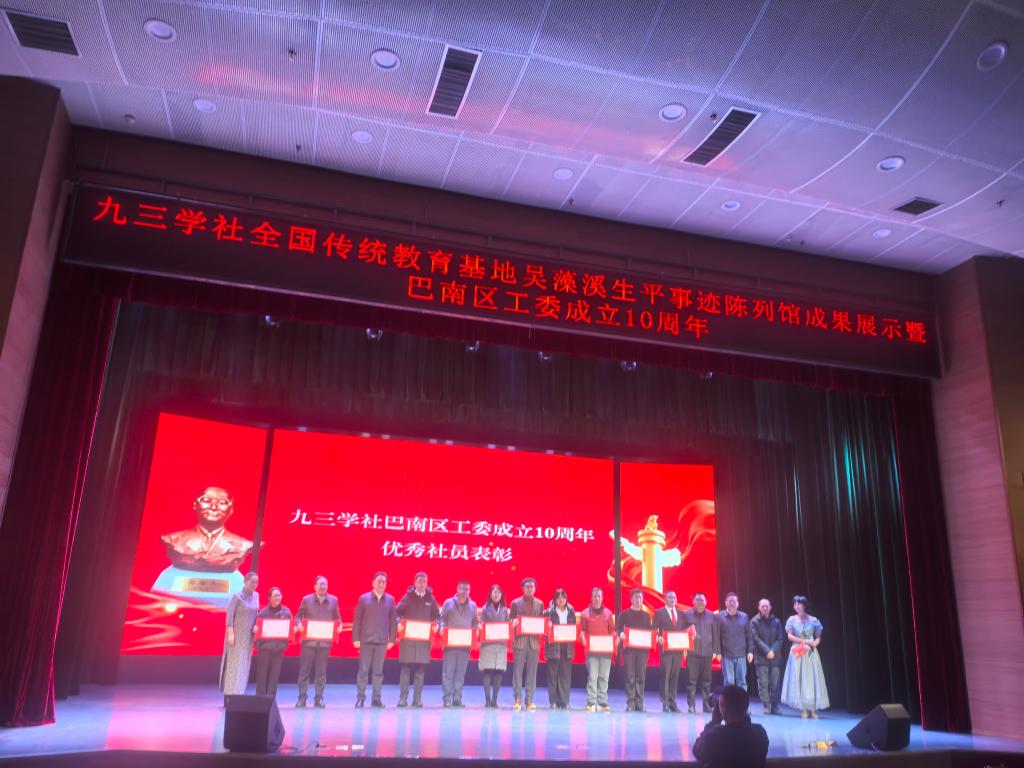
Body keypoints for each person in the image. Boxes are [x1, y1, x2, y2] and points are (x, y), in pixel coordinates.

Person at [692, 685, 769, 768]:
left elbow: (697, 750)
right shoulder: (760, 733)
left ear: (722, 708)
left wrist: (714, 722)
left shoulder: (715, 736)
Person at [352, 571, 397, 708]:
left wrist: (392, 639)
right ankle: (360, 698)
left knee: (378, 672)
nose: (381, 584)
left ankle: (376, 699)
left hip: (382, 641)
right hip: (366, 640)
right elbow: (357, 620)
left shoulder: (390, 600)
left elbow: (393, 621)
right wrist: (356, 638)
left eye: (384, 582)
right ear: (373, 583)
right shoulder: (364, 598)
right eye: (379, 581)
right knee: (363, 671)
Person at [395, 571, 440, 708]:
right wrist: (398, 623)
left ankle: (417, 700)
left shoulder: (430, 598)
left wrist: (437, 625)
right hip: (408, 640)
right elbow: (397, 613)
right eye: (420, 581)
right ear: (415, 582)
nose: (422, 584)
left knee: (420, 671)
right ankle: (403, 699)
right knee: (405, 670)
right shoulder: (407, 597)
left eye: (424, 582)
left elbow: (437, 616)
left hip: (423, 642)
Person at [295, 575, 341, 708]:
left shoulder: (333, 600)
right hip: (308, 643)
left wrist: (339, 625)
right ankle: (302, 698)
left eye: (325, 584)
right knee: (304, 671)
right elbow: (298, 617)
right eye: (320, 584)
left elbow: (337, 618)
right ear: (315, 586)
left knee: (321, 672)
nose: (323, 586)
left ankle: (319, 698)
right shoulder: (306, 599)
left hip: (324, 643)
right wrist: (299, 624)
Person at [781, 595, 829, 718]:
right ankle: (803, 708)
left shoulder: (813, 620)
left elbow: (818, 636)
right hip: (797, 651)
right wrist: (804, 641)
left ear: (804, 605)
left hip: (810, 652)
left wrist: (814, 644)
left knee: (811, 679)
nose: (796, 606)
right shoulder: (792, 620)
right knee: (799, 678)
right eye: (795, 604)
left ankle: (813, 709)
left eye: (799, 604)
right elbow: (789, 636)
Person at [220, 571, 259, 702]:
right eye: (252, 581)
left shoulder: (256, 596)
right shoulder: (237, 596)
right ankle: (229, 695)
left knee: (244, 665)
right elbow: (230, 615)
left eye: (256, 582)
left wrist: (256, 625)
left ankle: (239, 693)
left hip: (248, 636)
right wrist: (230, 633)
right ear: (245, 581)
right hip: (236, 635)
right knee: (234, 665)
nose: (254, 584)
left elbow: (256, 613)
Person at [439, 580, 478, 707]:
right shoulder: (448, 603)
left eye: (467, 589)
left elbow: (475, 622)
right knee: (448, 673)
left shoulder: (473, 605)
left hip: (465, 646)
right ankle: (446, 699)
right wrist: (441, 627)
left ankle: (457, 699)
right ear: (457, 589)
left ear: (469, 591)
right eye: (462, 589)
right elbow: (441, 619)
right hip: (450, 645)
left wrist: (476, 629)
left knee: (460, 674)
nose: (464, 592)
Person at [509, 577, 544, 711]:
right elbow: (511, 621)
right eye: (527, 586)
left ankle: (529, 700)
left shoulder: (540, 604)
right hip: (520, 641)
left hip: (534, 642)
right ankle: (517, 699)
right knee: (517, 672)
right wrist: (513, 622)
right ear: (523, 588)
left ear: (535, 588)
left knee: (532, 673)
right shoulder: (515, 603)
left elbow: (541, 622)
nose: (530, 589)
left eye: (532, 586)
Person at [579, 586, 614, 712]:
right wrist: (582, 638)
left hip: (605, 651)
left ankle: (603, 703)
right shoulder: (584, 613)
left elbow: (612, 631)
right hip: (591, 651)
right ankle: (591, 702)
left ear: (602, 598)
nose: (597, 598)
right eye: (594, 596)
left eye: (599, 596)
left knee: (604, 677)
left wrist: (614, 639)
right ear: (591, 598)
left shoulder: (608, 613)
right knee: (592, 677)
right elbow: (582, 631)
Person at [683, 592, 720, 713]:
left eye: (702, 600)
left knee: (706, 681)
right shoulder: (686, 614)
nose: (700, 603)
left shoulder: (711, 615)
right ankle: (691, 705)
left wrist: (716, 650)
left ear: (706, 602)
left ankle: (706, 705)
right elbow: (682, 632)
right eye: (697, 600)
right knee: (691, 681)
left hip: (707, 653)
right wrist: (683, 648)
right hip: (692, 653)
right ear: (693, 602)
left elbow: (715, 633)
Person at [617, 588, 653, 712]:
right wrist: (621, 634)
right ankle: (630, 703)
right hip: (629, 651)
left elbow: (650, 632)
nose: (638, 600)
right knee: (630, 676)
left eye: (640, 598)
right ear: (631, 599)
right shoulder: (624, 614)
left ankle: (639, 703)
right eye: (636, 597)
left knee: (641, 676)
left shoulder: (646, 616)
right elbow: (618, 628)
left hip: (643, 651)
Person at [254, 586, 292, 697]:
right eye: (275, 596)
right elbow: (257, 631)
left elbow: (290, 629)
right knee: (262, 674)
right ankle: (261, 697)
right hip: (264, 648)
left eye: (279, 595)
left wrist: (293, 629)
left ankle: (271, 698)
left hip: (279, 649)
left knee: (274, 675)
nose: (277, 598)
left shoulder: (286, 612)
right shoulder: (263, 612)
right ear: (269, 598)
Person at [654, 589, 686, 712]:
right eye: (670, 597)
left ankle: (673, 702)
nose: (672, 599)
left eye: (674, 598)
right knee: (665, 676)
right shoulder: (659, 612)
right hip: (665, 650)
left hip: (677, 650)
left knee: (674, 676)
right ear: (665, 599)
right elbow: (654, 629)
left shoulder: (681, 614)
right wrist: (658, 638)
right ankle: (665, 703)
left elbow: (684, 631)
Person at [750, 598, 784, 715]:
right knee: (763, 683)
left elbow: (780, 638)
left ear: (770, 607)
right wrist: (767, 651)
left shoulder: (776, 621)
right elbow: (755, 638)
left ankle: (775, 706)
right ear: (759, 607)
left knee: (775, 683)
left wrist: (772, 650)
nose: (765, 608)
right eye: (762, 606)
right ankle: (766, 705)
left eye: (767, 606)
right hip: (761, 657)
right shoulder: (754, 621)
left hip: (775, 656)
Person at [545, 587, 576, 709]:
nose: (561, 600)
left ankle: (564, 701)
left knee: (565, 676)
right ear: (555, 600)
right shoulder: (549, 612)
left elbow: (574, 628)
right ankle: (553, 701)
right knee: (552, 676)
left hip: (567, 648)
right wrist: (547, 628)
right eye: (558, 598)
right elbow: (543, 630)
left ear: (566, 599)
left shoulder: (571, 611)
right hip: (553, 647)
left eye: (563, 598)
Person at [479, 584, 509, 708]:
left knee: (499, 671)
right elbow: (481, 623)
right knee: (487, 670)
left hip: (501, 645)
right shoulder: (485, 609)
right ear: (490, 595)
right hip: (488, 645)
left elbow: (508, 625)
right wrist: (480, 626)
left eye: (498, 592)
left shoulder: (505, 610)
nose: (496, 595)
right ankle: (487, 700)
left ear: (501, 595)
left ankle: (494, 700)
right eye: (494, 592)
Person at [718, 592, 754, 690]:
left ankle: (742, 700)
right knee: (728, 682)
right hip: (726, 654)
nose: (732, 603)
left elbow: (749, 635)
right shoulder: (720, 616)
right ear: (725, 603)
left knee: (741, 682)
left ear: (738, 603)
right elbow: (716, 635)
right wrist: (717, 651)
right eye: (730, 601)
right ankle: (729, 700)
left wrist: (750, 651)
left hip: (741, 654)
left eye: (734, 601)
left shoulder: (744, 616)